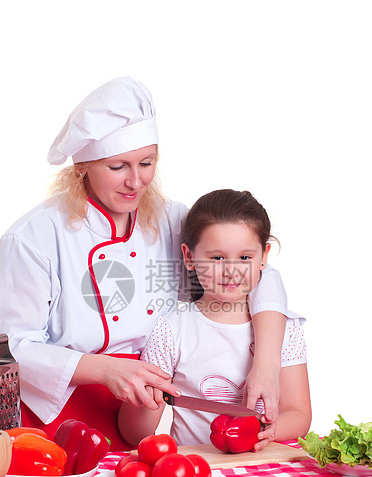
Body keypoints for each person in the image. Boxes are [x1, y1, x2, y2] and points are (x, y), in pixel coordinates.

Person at [0, 77, 296, 450]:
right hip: (53, 414)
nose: (136, 181)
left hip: (140, 409)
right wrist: (104, 368)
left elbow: (258, 274)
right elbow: (2, 349)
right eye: (118, 167)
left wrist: (266, 367)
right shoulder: (34, 237)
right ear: (82, 166)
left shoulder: (170, 219)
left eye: (146, 163)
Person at [118, 189, 311, 450]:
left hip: (265, 467)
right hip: (198, 470)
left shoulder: (285, 329)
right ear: (189, 257)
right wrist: (142, 402)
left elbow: (299, 414)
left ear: (264, 257)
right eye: (217, 257)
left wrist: (268, 431)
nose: (231, 271)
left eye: (245, 257)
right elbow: (136, 434)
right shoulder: (172, 328)